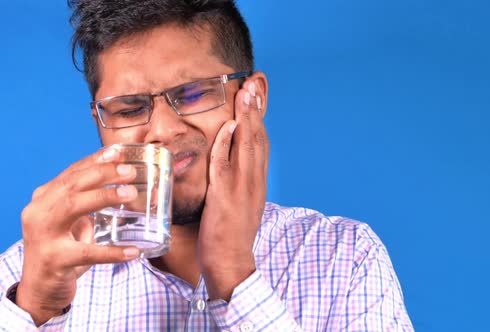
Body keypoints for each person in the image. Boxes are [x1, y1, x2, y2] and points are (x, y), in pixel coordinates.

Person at [0, 0, 413, 330]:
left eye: (194, 93)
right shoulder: (27, 272)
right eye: (128, 108)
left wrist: (235, 278)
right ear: (101, 123)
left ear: (254, 96)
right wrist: (35, 308)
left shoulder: (346, 257)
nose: (160, 130)